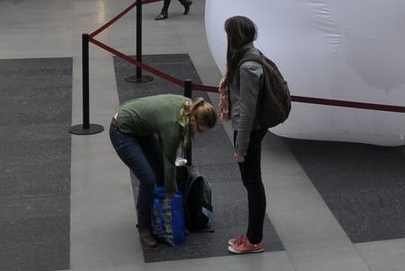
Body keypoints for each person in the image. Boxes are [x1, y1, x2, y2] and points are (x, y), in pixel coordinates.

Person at [109, 94, 216, 247]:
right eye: (199, 129)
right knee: (148, 179)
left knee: (160, 173)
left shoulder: (189, 106)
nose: (200, 133)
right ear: (193, 119)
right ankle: (144, 228)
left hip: (142, 129)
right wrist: (172, 194)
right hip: (122, 130)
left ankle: (158, 220)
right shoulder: (172, 126)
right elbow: (169, 162)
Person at [219, 15, 285, 256]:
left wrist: (240, 146)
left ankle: (255, 239)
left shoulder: (248, 66)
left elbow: (246, 110)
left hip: (250, 130)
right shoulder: (251, 54)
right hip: (253, 128)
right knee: (252, 183)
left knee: (253, 184)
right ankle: (251, 234)